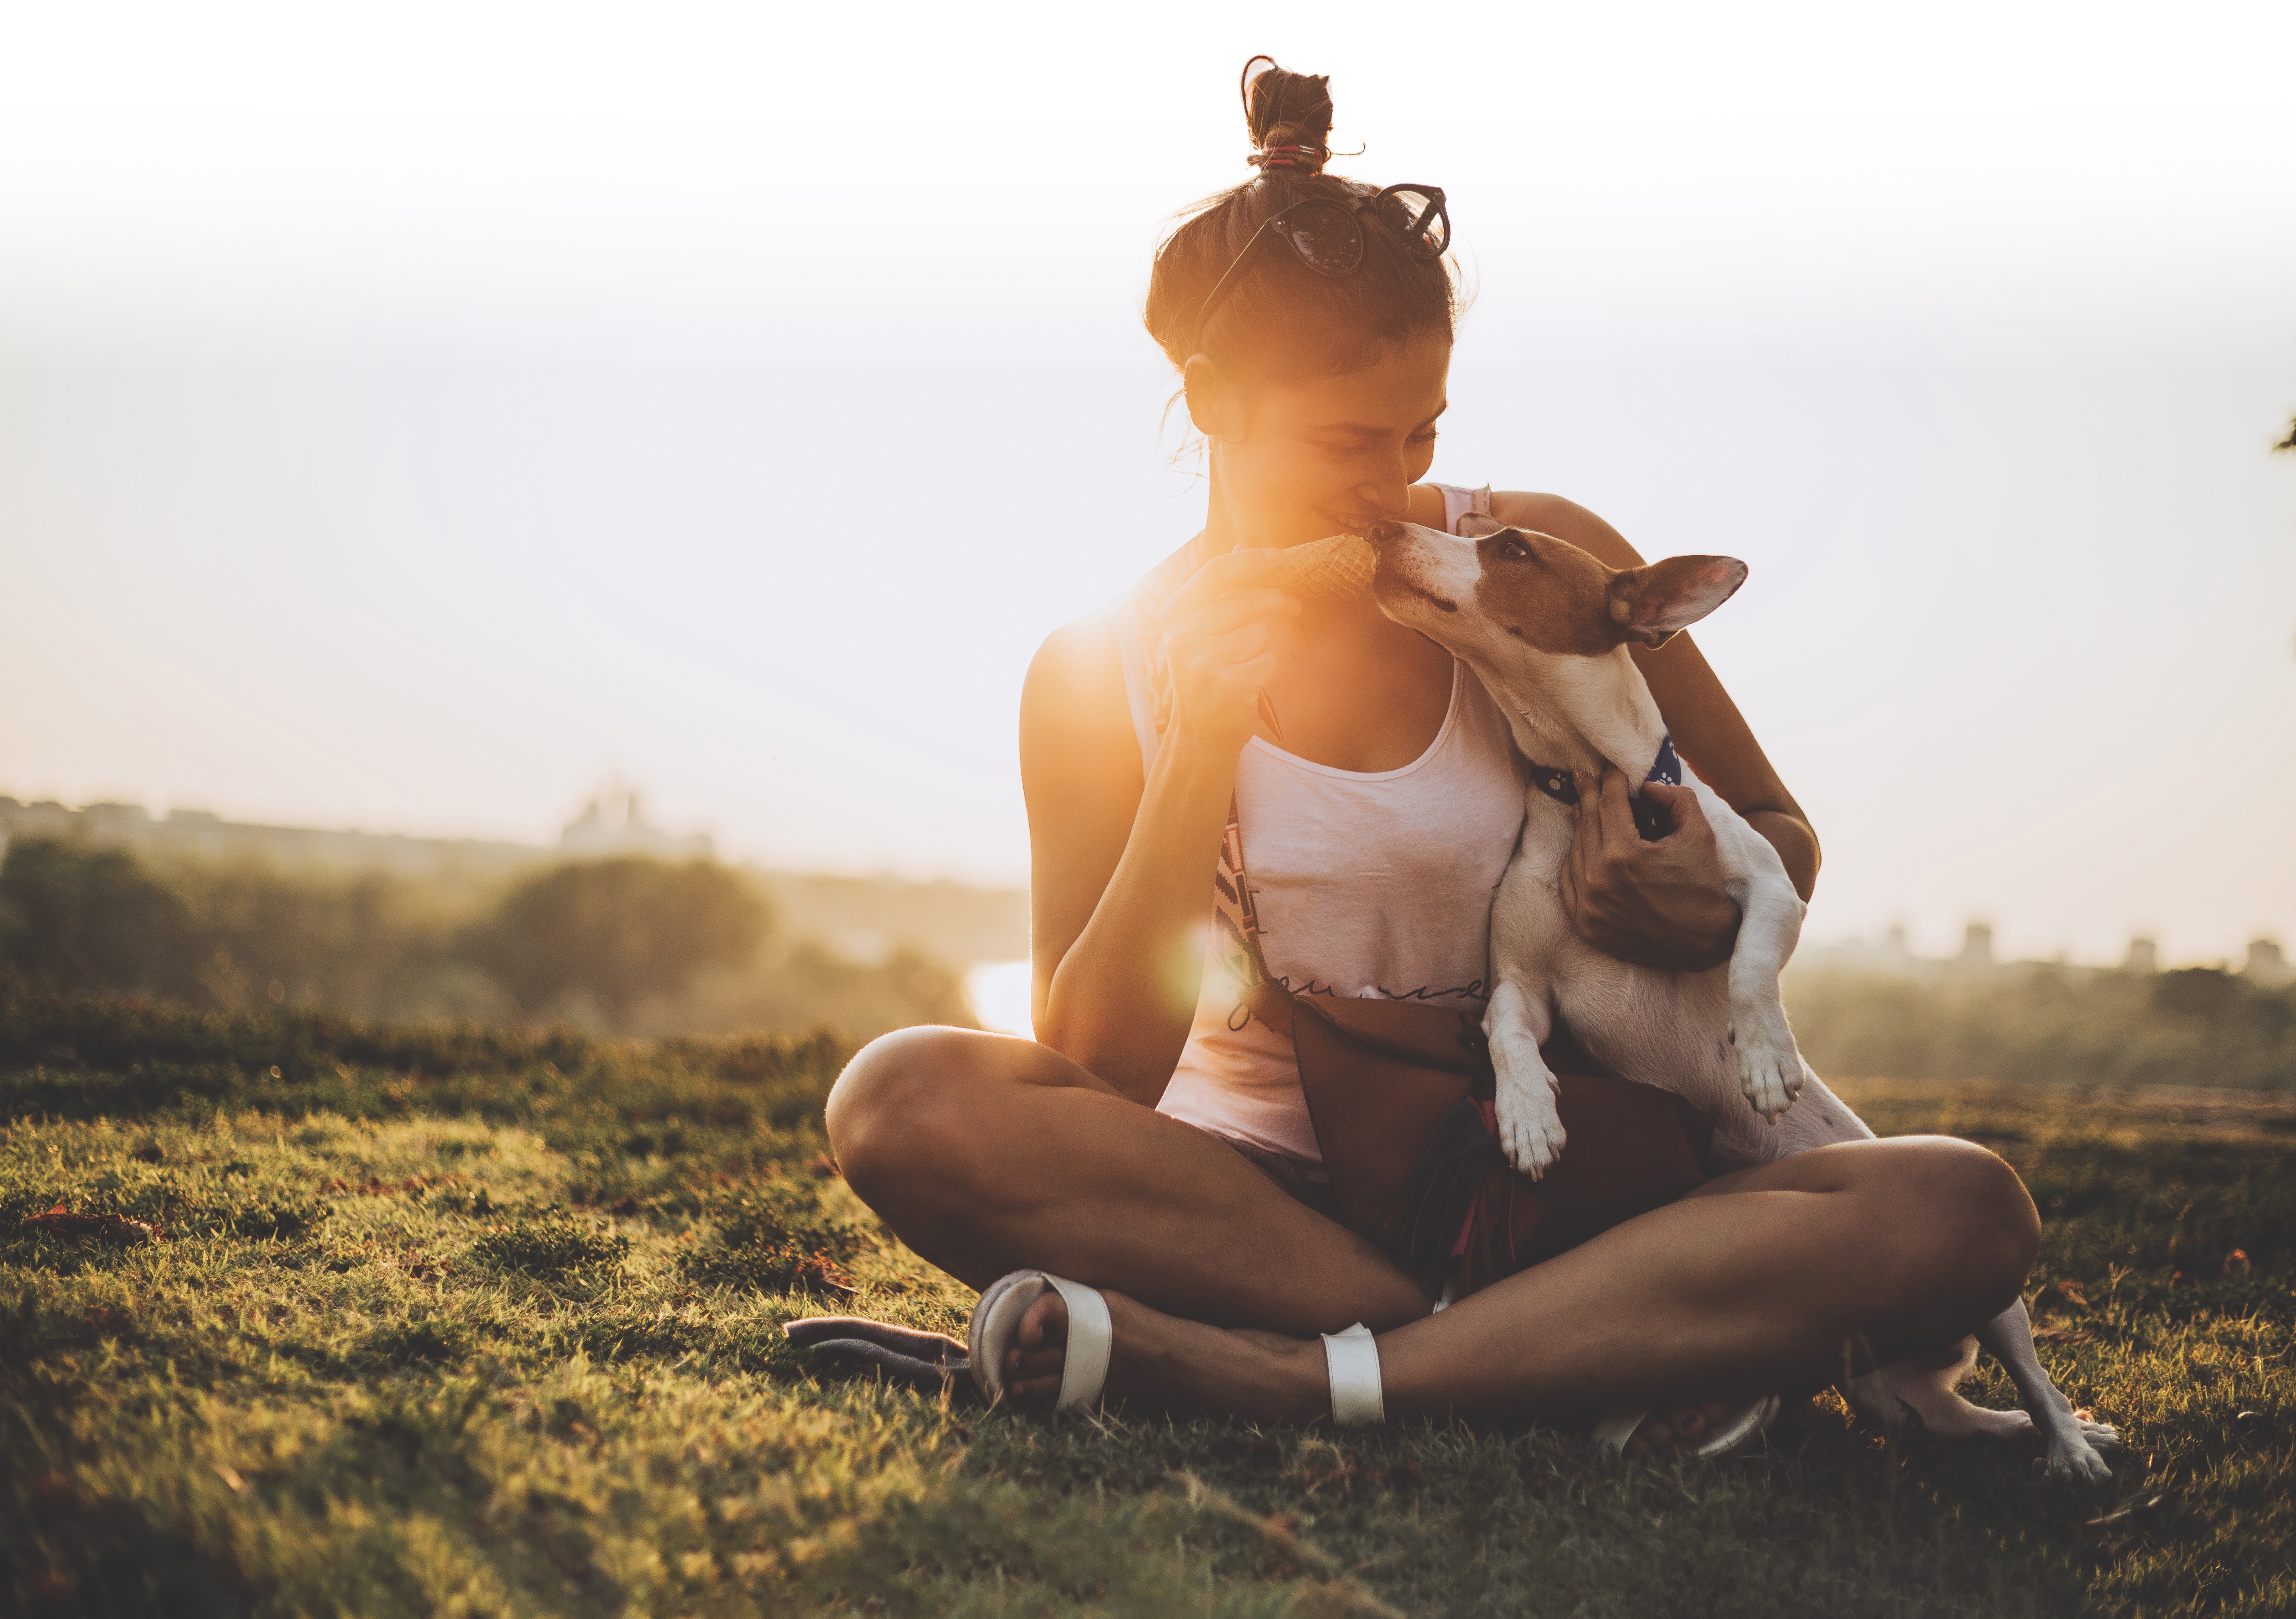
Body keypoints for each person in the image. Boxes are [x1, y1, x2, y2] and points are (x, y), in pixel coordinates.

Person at [819, 59, 2037, 1454]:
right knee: (900, 1097)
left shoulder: (1528, 560)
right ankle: (1539, 1354)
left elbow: (1778, 833)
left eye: (1422, 432)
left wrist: (1691, 891)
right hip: (1261, 1207)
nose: (1389, 483)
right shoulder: (1101, 664)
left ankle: (1280, 1376)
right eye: (1349, 439)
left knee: (1963, 1207)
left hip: (1565, 1164)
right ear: (1212, 399)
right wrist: (1202, 742)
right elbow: (1096, 1066)